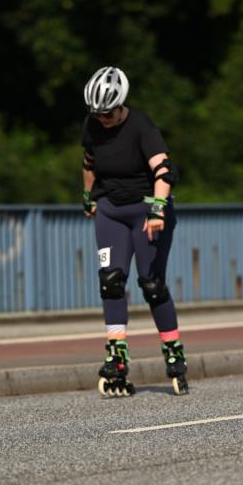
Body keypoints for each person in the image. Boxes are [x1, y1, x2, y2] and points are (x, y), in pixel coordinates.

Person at [81, 65, 188, 396]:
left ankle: (174, 355)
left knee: (151, 284)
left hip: (147, 210)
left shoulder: (141, 125)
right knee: (111, 281)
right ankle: (117, 357)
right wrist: (88, 198)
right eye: (98, 115)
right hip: (111, 211)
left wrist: (158, 209)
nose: (103, 120)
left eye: (108, 114)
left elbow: (164, 170)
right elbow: (89, 164)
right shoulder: (92, 126)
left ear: (121, 104)